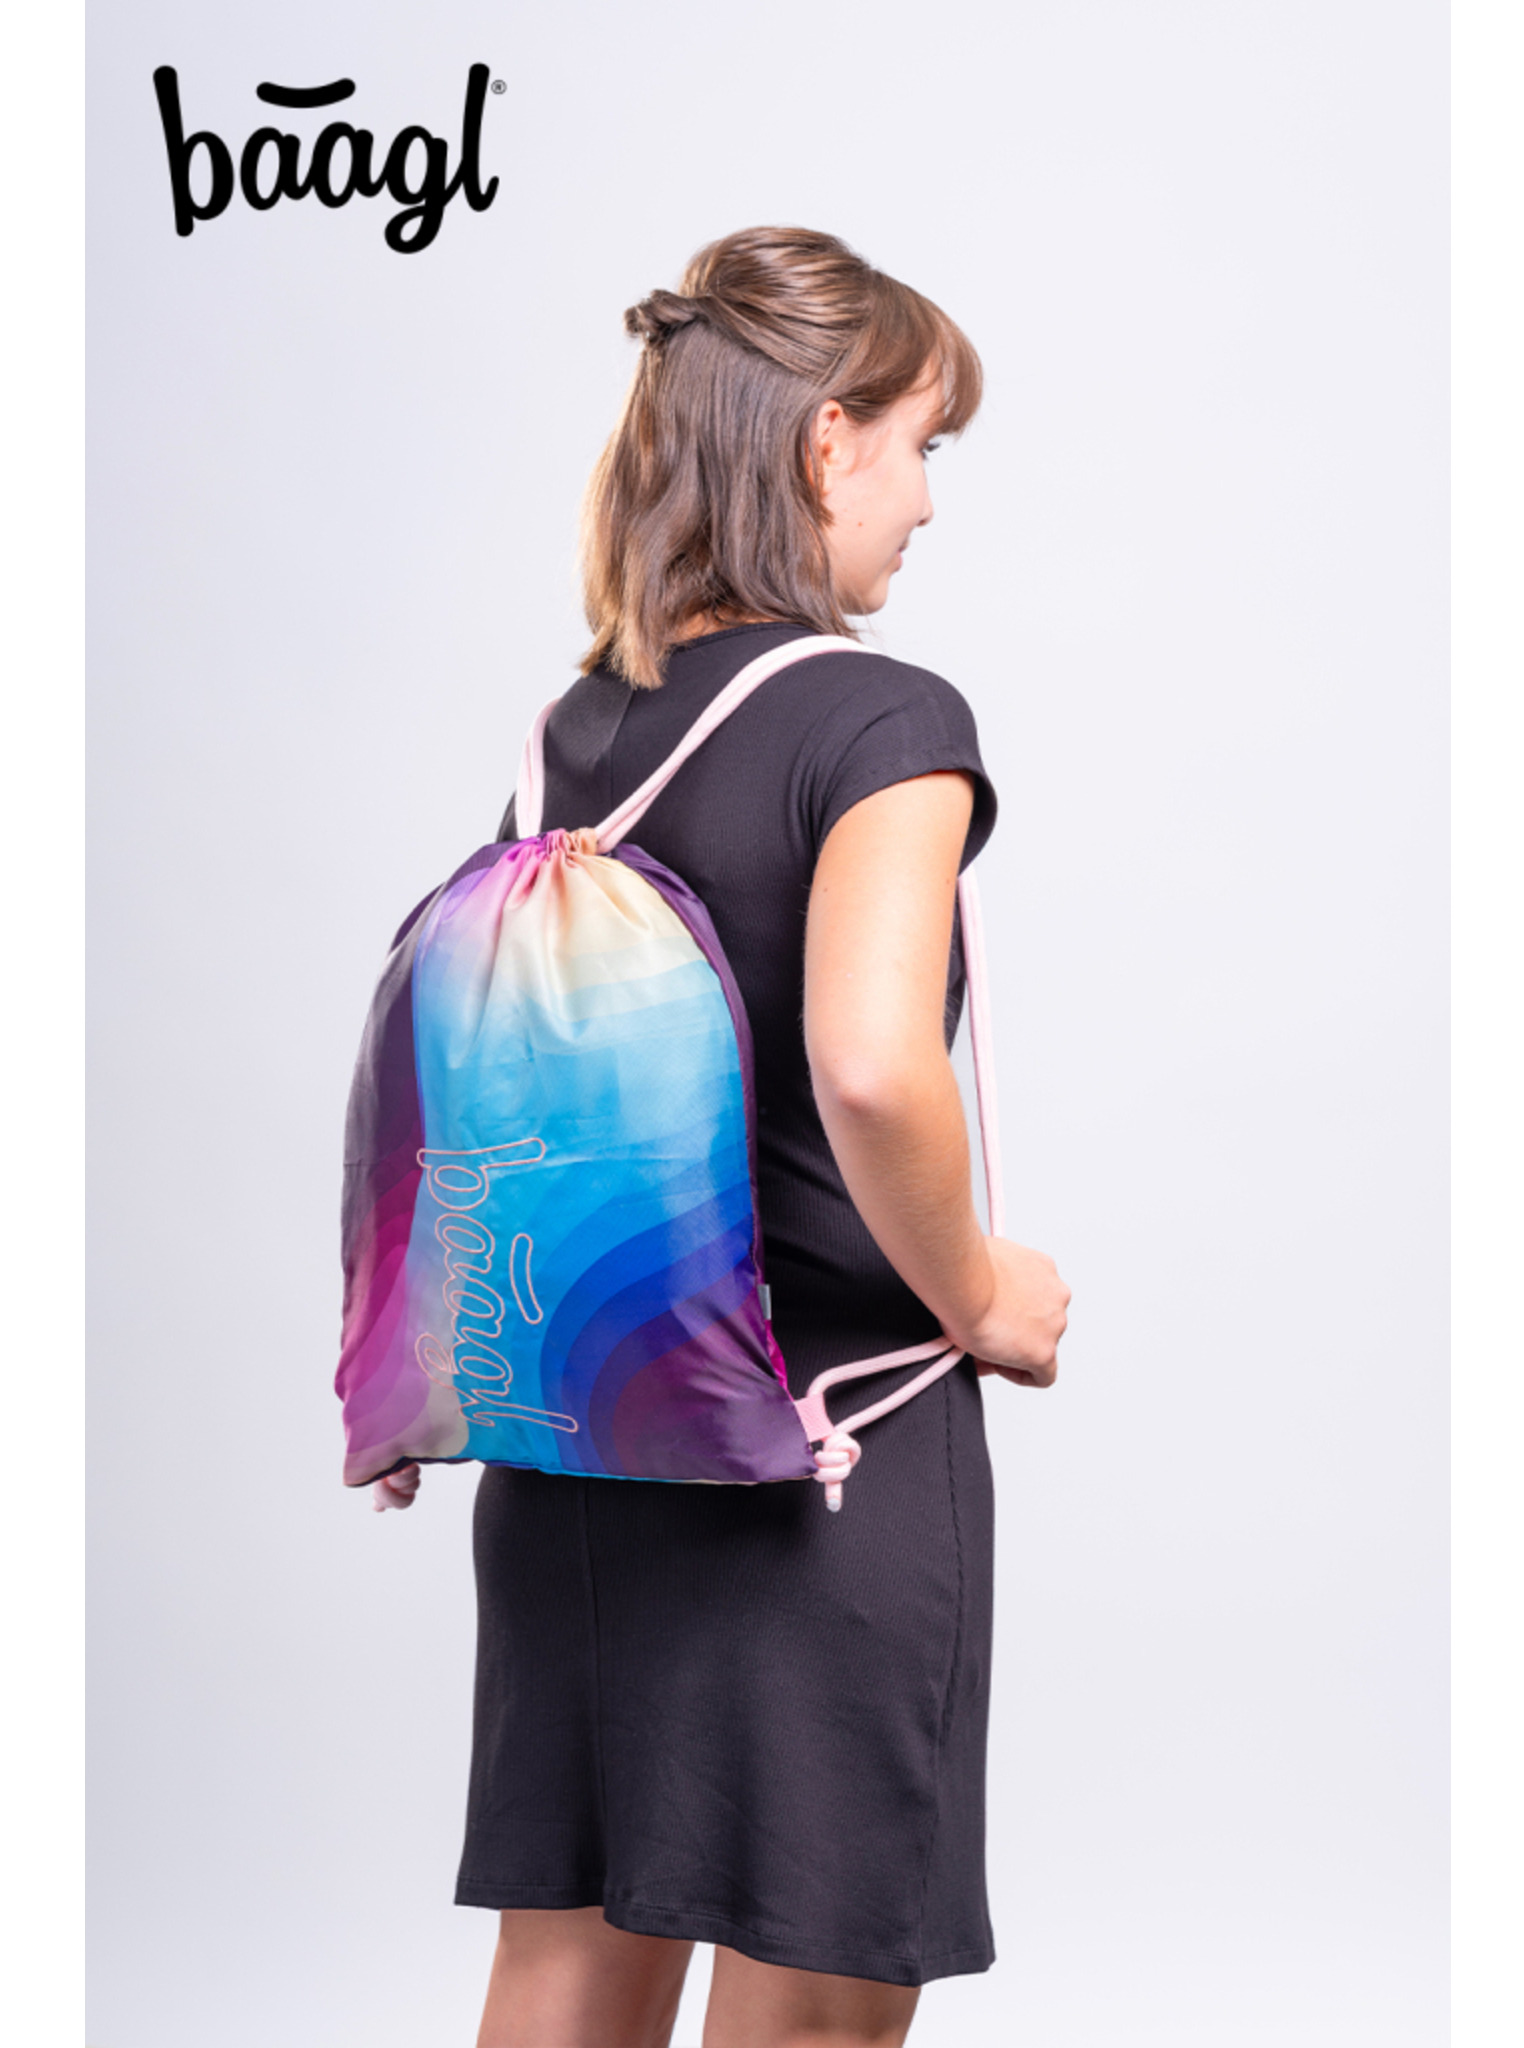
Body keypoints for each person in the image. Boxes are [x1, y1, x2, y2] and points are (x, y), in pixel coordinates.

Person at [379, 225, 1070, 2048]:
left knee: (563, 1973)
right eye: (921, 446)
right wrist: (983, 1293)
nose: (928, 502)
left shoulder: (569, 736)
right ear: (828, 441)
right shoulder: (882, 718)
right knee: (812, 2008)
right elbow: (871, 1066)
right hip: (824, 1458)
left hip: (582, 1457)